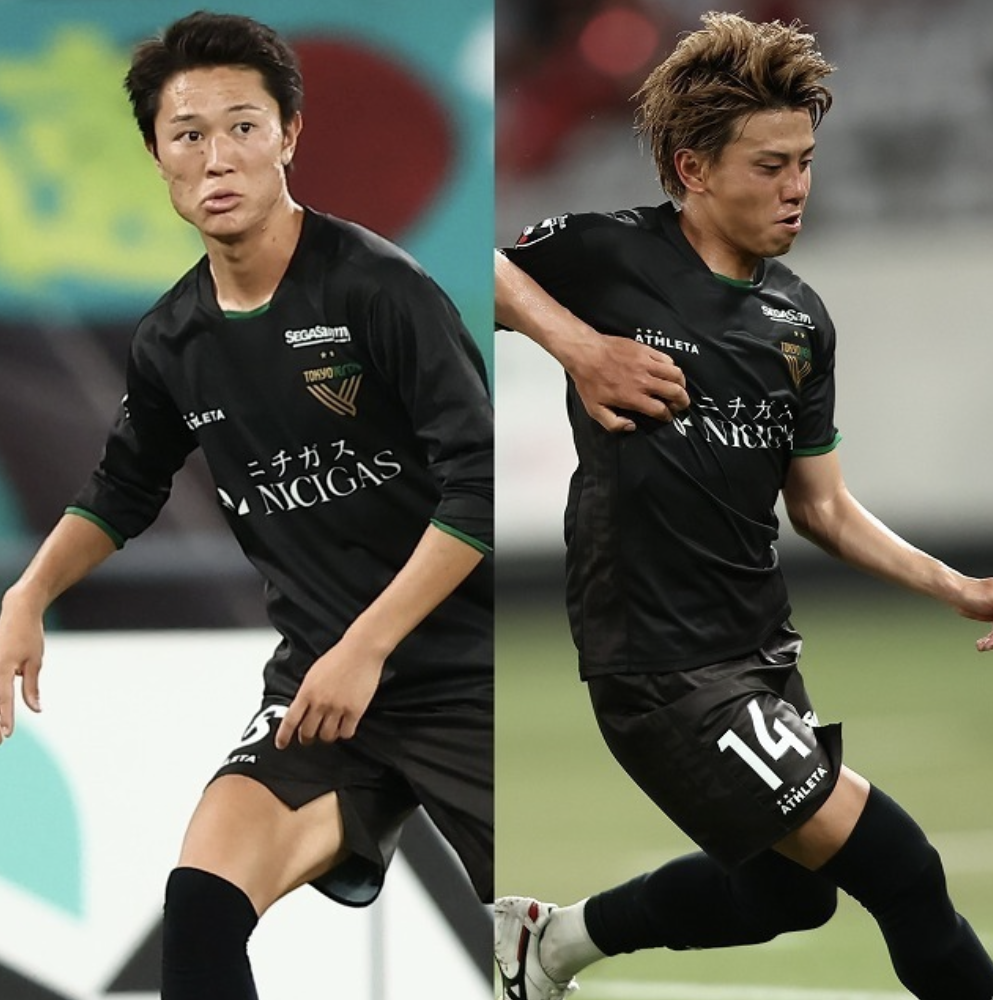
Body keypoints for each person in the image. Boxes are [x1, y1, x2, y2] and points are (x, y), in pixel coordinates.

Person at [494, 12, 993, 1000]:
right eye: (769, 165)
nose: (796, 186)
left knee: (785, 898)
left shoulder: (797, 320)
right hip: (658, 663)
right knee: (903, 868)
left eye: (804, 161)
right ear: (693, 167)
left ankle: (545, 945)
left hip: (757, 649)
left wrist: (959, 587)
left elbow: (822, 508)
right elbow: (451, 274)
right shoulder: (603, 254)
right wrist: (579, 347)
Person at [0, 12, 492, 999]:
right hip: (319, 693)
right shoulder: (172, 339)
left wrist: (367, 646)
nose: (216, 157)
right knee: (201, 908)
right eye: (188, 134)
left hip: (466, 680)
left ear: (290, 136)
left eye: (242, 127)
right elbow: (122, 488)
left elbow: (476, 488)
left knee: (529, 942)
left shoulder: (381, 290)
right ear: (156, 155)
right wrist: (29, 593)